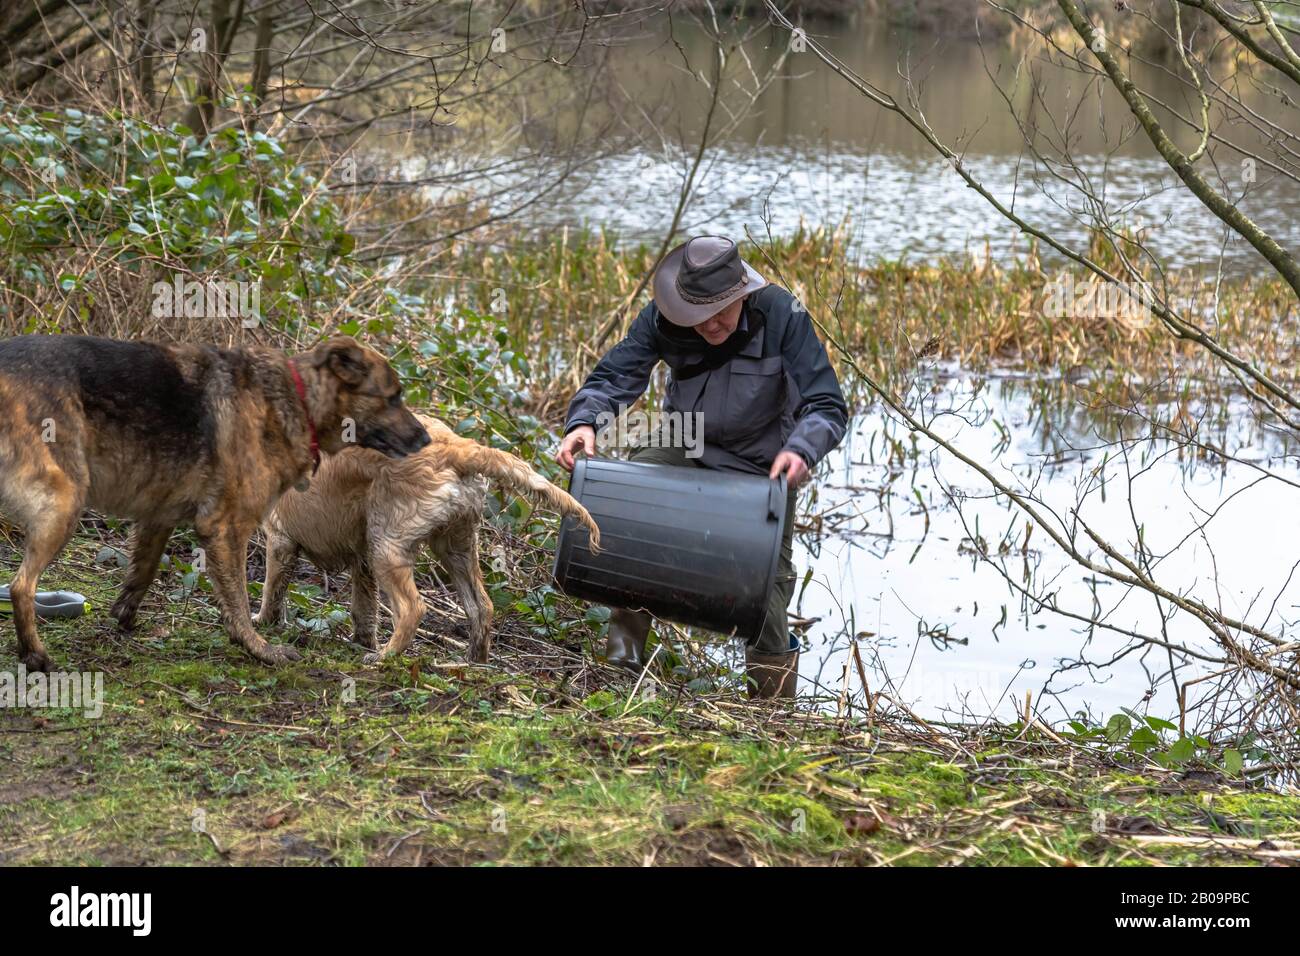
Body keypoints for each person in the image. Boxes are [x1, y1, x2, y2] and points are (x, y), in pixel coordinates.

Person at [556, 236, 847, 698]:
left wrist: (801, 451)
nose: (710, 325)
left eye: (722, 313)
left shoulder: (782, 315)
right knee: (638, 526)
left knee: (767, 583)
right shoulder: (662, 317)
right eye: (698, 316)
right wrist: (584, 422)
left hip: (764, 458)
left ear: (743, 295)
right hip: (685, 437)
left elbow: (827, 406)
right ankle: (622, 668)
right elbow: (616, 376)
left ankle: (771, 709)